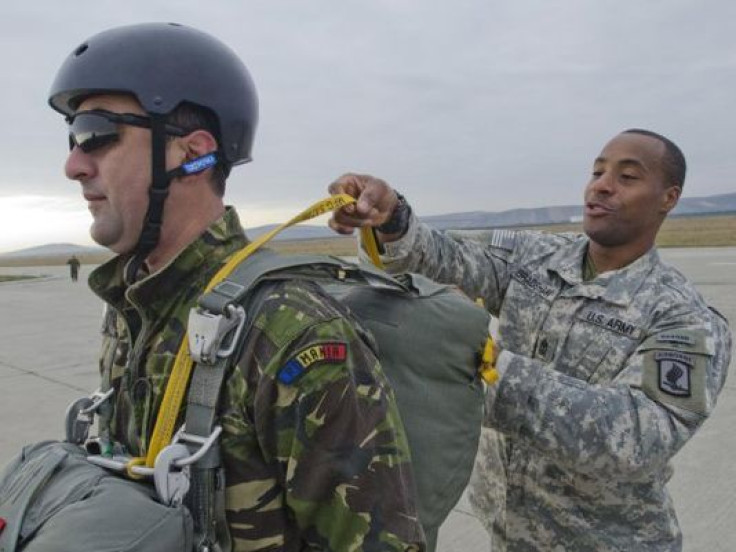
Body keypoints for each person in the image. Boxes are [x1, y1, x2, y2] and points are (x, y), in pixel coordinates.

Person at [49, 23, 424, 551]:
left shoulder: (291, 335)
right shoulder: (134, 306)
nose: (72, 164)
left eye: (94, 133)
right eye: (71, 138)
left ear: (190, 152)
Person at [327, 129, 732, 551]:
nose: (602, 185)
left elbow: (637, 440)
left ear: (669, 197)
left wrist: (484, 364)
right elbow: (443, 257)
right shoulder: (535, 258)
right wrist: (391, 217)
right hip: (507, 529)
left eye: (627, 177)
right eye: (597, 171)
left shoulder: (685, 318)